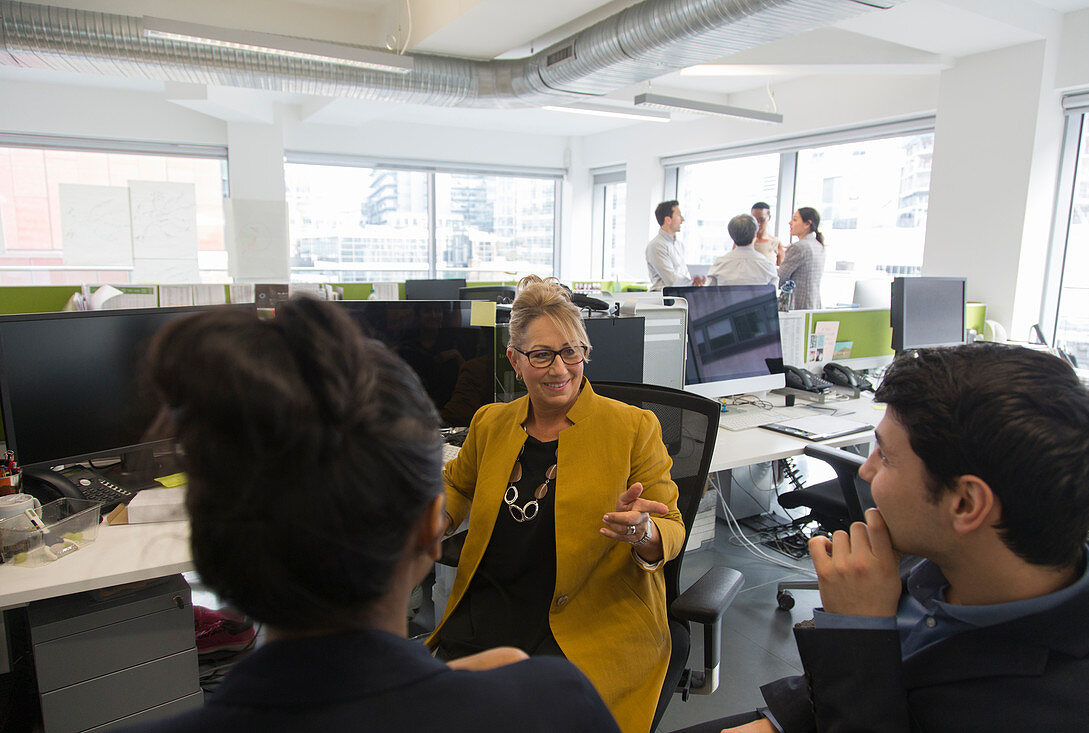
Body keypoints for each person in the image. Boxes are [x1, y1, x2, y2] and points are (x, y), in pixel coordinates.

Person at [133, 299, 619, 733]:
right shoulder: (551, 705)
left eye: (569, 352)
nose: (558, 366)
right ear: (431, 526)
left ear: (211, 539)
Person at [673, 343, 1089, 733]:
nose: (867, 469)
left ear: (966, 504)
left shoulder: (1050, 708)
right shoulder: (940, 558)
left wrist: (857, 629)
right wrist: (778, 722)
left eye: (886, 456)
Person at [429, 275, 684, 733]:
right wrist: (439, 519)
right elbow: (459, 484)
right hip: (488, 610)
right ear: (514, 360)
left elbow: (672, 529)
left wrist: (642, 533)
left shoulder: (632, 428)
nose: (559, 368)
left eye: (572, 351)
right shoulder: (491, 422)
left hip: (587, 623)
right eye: (542, 355)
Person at [706, 213, 779, 287]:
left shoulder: (719, 265)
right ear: (755, 235)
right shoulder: (768, 267)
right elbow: (773, 296)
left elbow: (709, 295)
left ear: (732, 236)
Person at [646, 199, 704, 291]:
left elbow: (683, 274)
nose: (682, 219)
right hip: (663, 299)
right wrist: (692, 282)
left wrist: (695, 281)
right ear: (668, 220)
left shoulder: (679, 245)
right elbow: (671, 280)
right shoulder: (656, 245)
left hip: (680, 295)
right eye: (678, 215)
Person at [777, 207, 825, 310]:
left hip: (797, 306)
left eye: (795, 220)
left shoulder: (798, 247)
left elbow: (779, 279)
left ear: (807, 224)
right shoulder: (818, 245)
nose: (790, 223)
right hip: (814, 304)